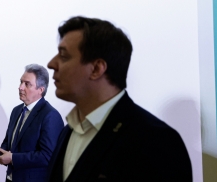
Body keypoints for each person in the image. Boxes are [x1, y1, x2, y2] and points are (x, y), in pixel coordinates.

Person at [45, 17, 192, 182]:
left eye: (64, 56)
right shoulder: (68, 131)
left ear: (96, 69)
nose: (51, 64)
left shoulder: (157, 141)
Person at [0, 64, 64, 182]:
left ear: (41, 90)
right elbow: (10, 141)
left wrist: (13, 158)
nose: (20, 87)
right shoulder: (16, 110)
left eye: (27, 84)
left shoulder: (50, 115)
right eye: (21, 82)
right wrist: (2, 151)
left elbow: (48, 156)